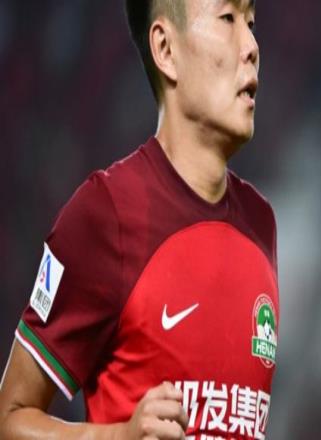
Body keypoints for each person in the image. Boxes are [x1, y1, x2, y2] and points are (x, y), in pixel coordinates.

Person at [0, 0, 279, 438]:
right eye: (228, 19)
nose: (251, 46)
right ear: (165, 49)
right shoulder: (104, 213)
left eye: (251, 22)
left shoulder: (261, 224)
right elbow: (9, 418)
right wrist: (117, 436)